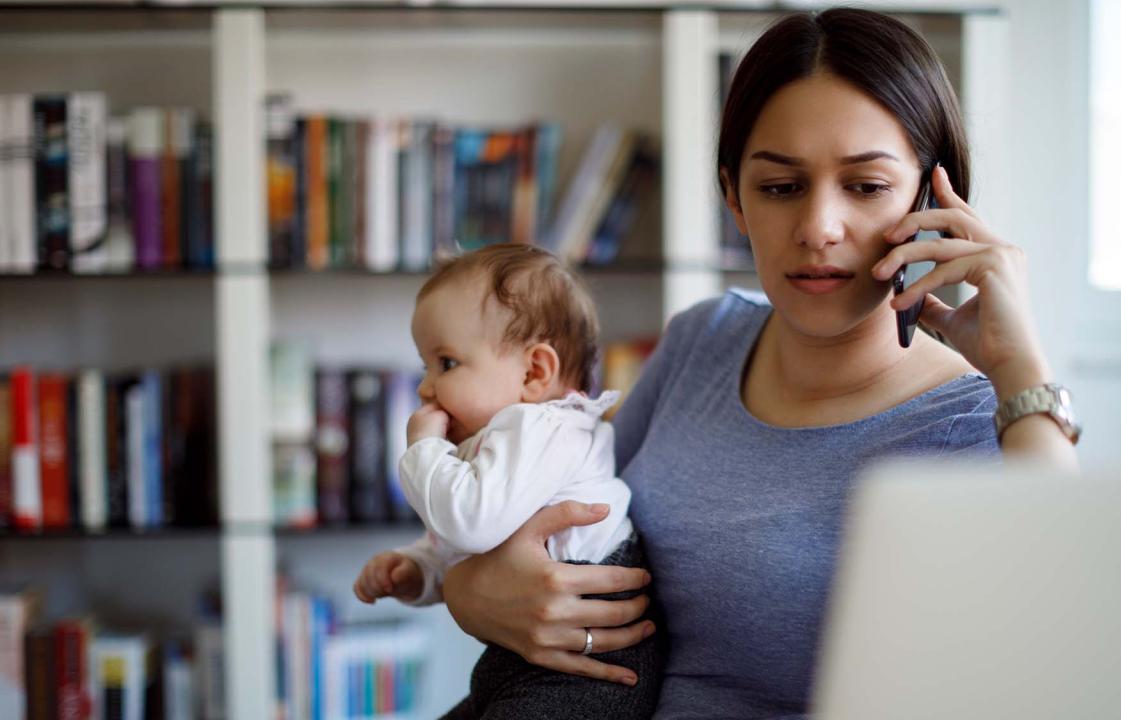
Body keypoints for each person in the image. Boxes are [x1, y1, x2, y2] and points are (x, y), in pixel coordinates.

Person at [439, 8, 1080, 719]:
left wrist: (1019, 367)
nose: (818, 228)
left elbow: (1063, 641)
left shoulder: (981, 421)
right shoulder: (701, 340)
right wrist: (469, 589)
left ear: (932, 198)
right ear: (734, 199)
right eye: (780, 187)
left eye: (866, 187)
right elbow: (553, 516)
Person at [350, 243, 662, 718]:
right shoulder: (503, 440)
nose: (425, 387)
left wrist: (422, 451)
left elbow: (471, 523)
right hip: (526, 657)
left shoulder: (543, 428)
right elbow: (475, 547)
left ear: (534, 372)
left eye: (447, 363)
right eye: (425, 366)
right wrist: (418, 569)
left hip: (584, 673)